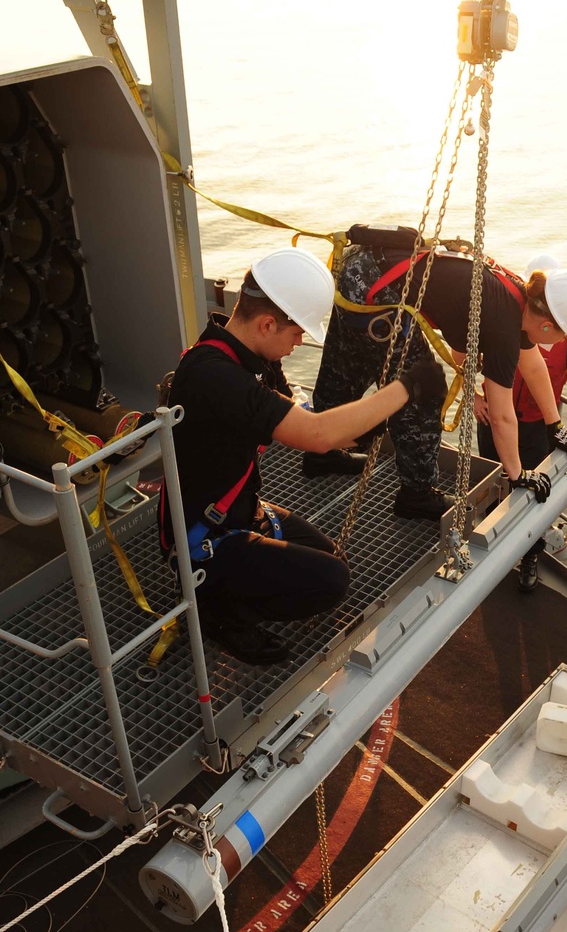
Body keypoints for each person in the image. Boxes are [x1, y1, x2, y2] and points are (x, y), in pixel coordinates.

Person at [159, 247, 447, 666]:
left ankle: (230, 585)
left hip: (239, 510)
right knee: (331, 582)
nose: (298, 343)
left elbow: (309, 423)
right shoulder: (214, 375)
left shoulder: (249, 357)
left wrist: (365, 424)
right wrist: (408, 387)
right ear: (267, 323)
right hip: (202, 536)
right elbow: (316, 435)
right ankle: (213, 611)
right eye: (296, 334)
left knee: (331, 561)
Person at [306, 226, 567, 519]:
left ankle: (322, 452)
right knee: (422, 390)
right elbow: (502, 416)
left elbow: (533, 367)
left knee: (347, 356)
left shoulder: (519, 296)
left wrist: (555, 426)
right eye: (565, 335)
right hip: (375, 288)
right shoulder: (505, 325)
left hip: (363, 268)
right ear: (546, 325)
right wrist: (518, 475)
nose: (564, 342)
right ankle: (416, 495)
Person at [475, 252, 567, 592]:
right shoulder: (510, 323)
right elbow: (466, 356)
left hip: (536, 428)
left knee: (536, 497)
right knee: (494, 484)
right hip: (494, 419)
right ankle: (490, 549)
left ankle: (529, 556)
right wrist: (474, 397)